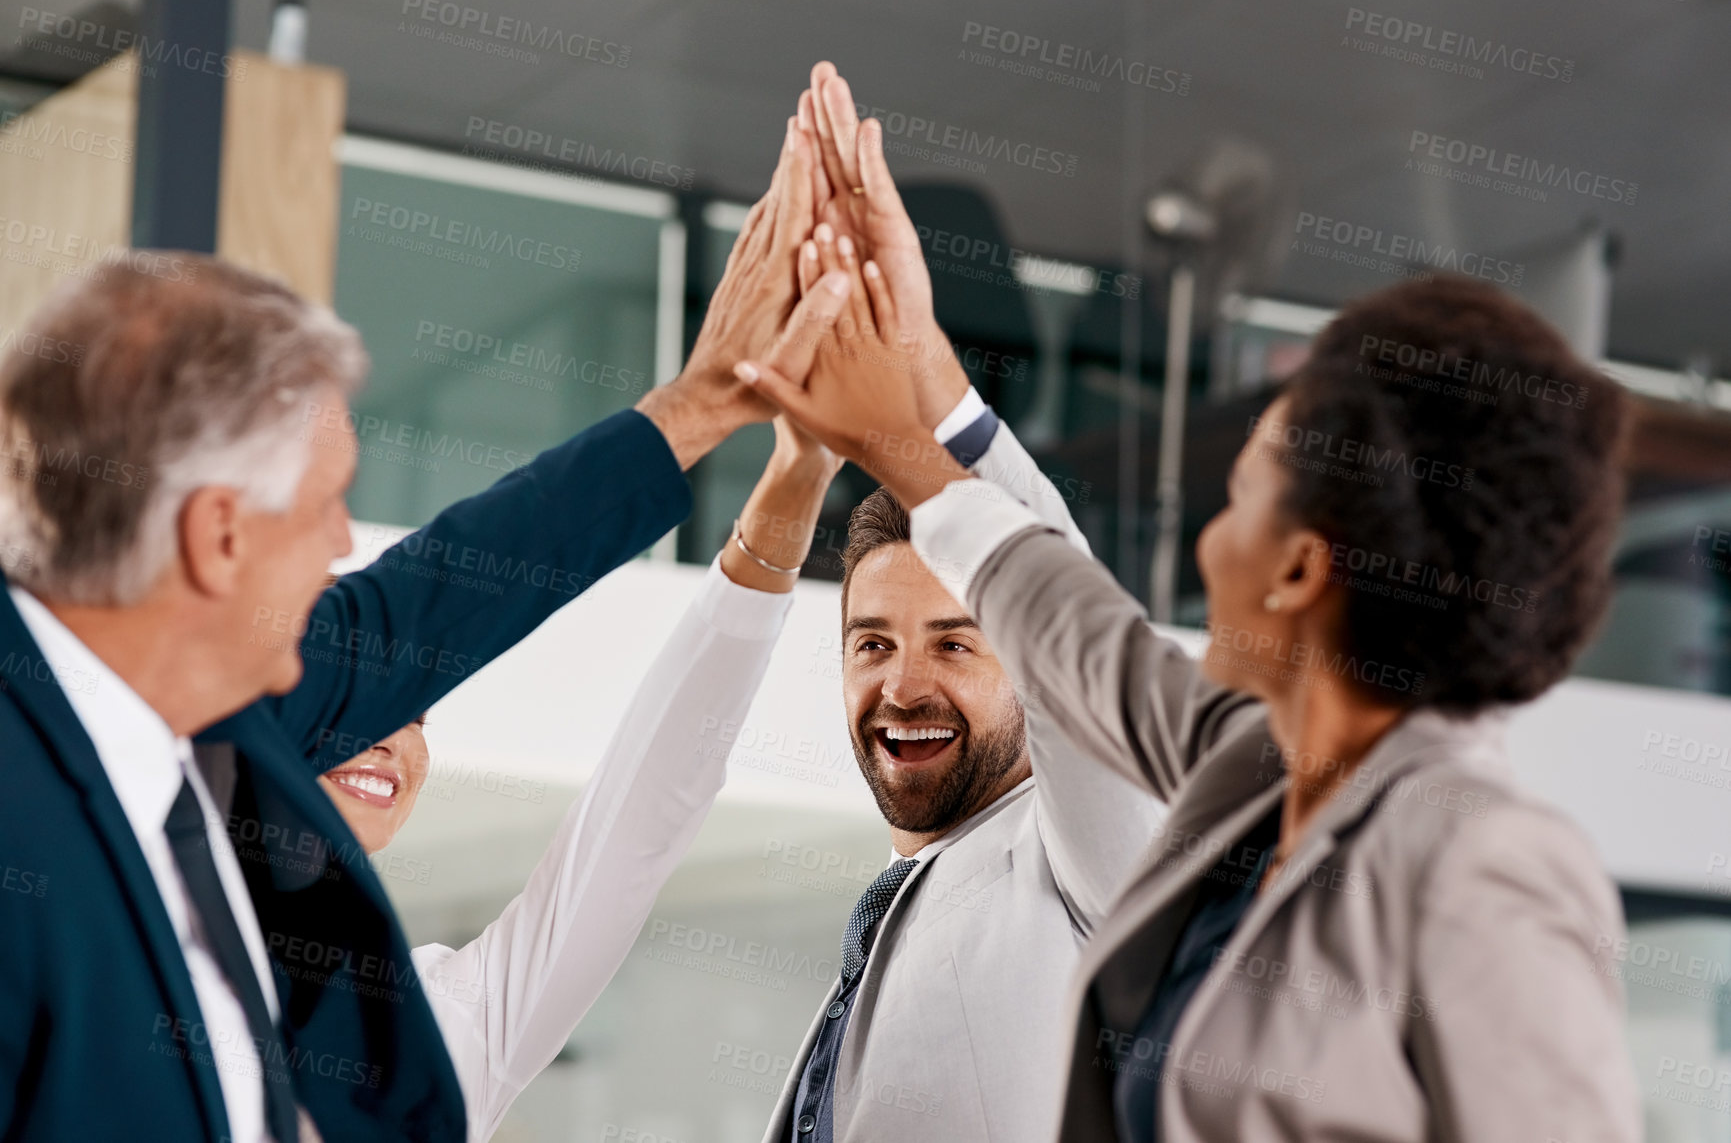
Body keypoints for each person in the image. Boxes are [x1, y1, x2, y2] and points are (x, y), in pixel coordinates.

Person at [742, 85, 1643, 1135]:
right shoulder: (1257, 773)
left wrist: (904, 437)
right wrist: (920, 380)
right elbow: (1080, 634)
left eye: (1243, 498)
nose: (1207, 539)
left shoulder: (1486, 856)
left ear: (1303, 571)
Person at [0, 112, 851, 1142]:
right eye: (326, 505)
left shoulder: (207, 726)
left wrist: (702, 408)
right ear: (218, 536)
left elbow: (427, 600)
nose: (339, 545)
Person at [727, 69, 1167, 1143]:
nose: (903, 683)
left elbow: (1061, 597)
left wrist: (924, 371)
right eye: (871, 641)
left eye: (956, 642)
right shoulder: (894, 920)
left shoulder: (1092, 862)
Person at [314, 415, 840, 1142]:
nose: (391, 738)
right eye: (362, 696)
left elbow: (643, 813)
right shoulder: (146, 933)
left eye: (417, 713)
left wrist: (793, 485)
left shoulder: (437, 1022)